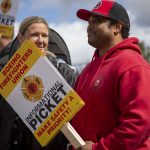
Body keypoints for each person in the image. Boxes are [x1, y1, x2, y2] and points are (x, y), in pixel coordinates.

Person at [72, 1, 150, 150]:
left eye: (97, 21)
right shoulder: (87, 71)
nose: (89, 26)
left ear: (117, 27)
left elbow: (139, 124)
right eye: (89, 22)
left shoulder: (133, 64)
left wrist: (98, 148)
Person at [0, 16, 76, 150]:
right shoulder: (7, 77)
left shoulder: (64, 72)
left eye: (44, 36)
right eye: (34, 35)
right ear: (21, 38)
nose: (41, 41)